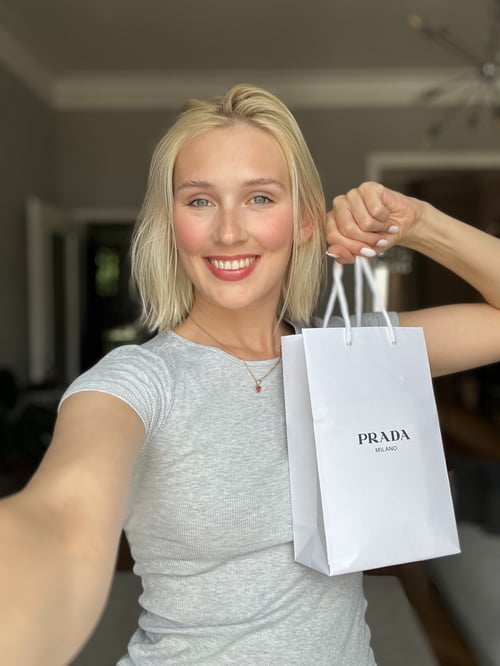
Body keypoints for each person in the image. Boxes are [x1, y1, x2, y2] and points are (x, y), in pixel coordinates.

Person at [1, 84, 500, 666]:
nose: (229, 232)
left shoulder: (354, 355)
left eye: (260, 198)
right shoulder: (136, 383)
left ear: (305, 221)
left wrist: (417, 223)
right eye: (200, 201)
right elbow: (61, 522)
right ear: (171, 223)